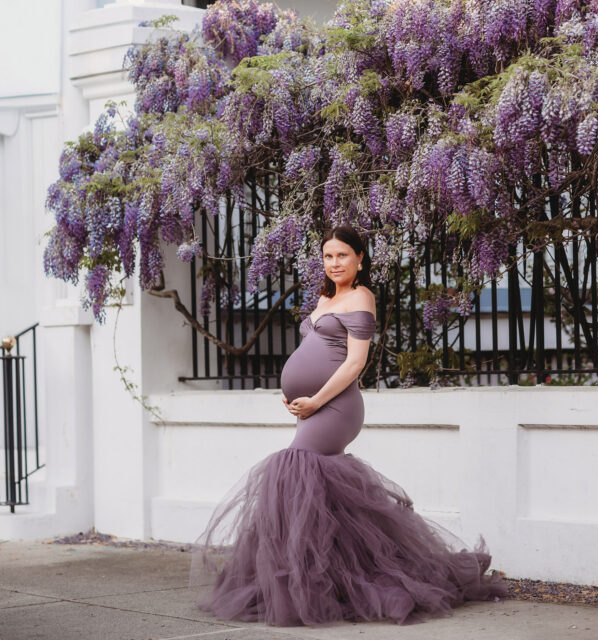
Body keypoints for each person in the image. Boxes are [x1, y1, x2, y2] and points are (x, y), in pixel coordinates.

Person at [192, 224, 507, 626]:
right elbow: (312, 351)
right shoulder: (325, 297)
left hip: (338, 407)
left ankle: (309, 586)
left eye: (342, 255)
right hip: (312, 405)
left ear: (360, 259)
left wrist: (315, 400)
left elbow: (355, 363)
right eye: (328, 256)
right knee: (317, 494)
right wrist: (290, 394)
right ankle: (335, 580)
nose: (334, 263)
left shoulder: (361, 296)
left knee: (293, 468)